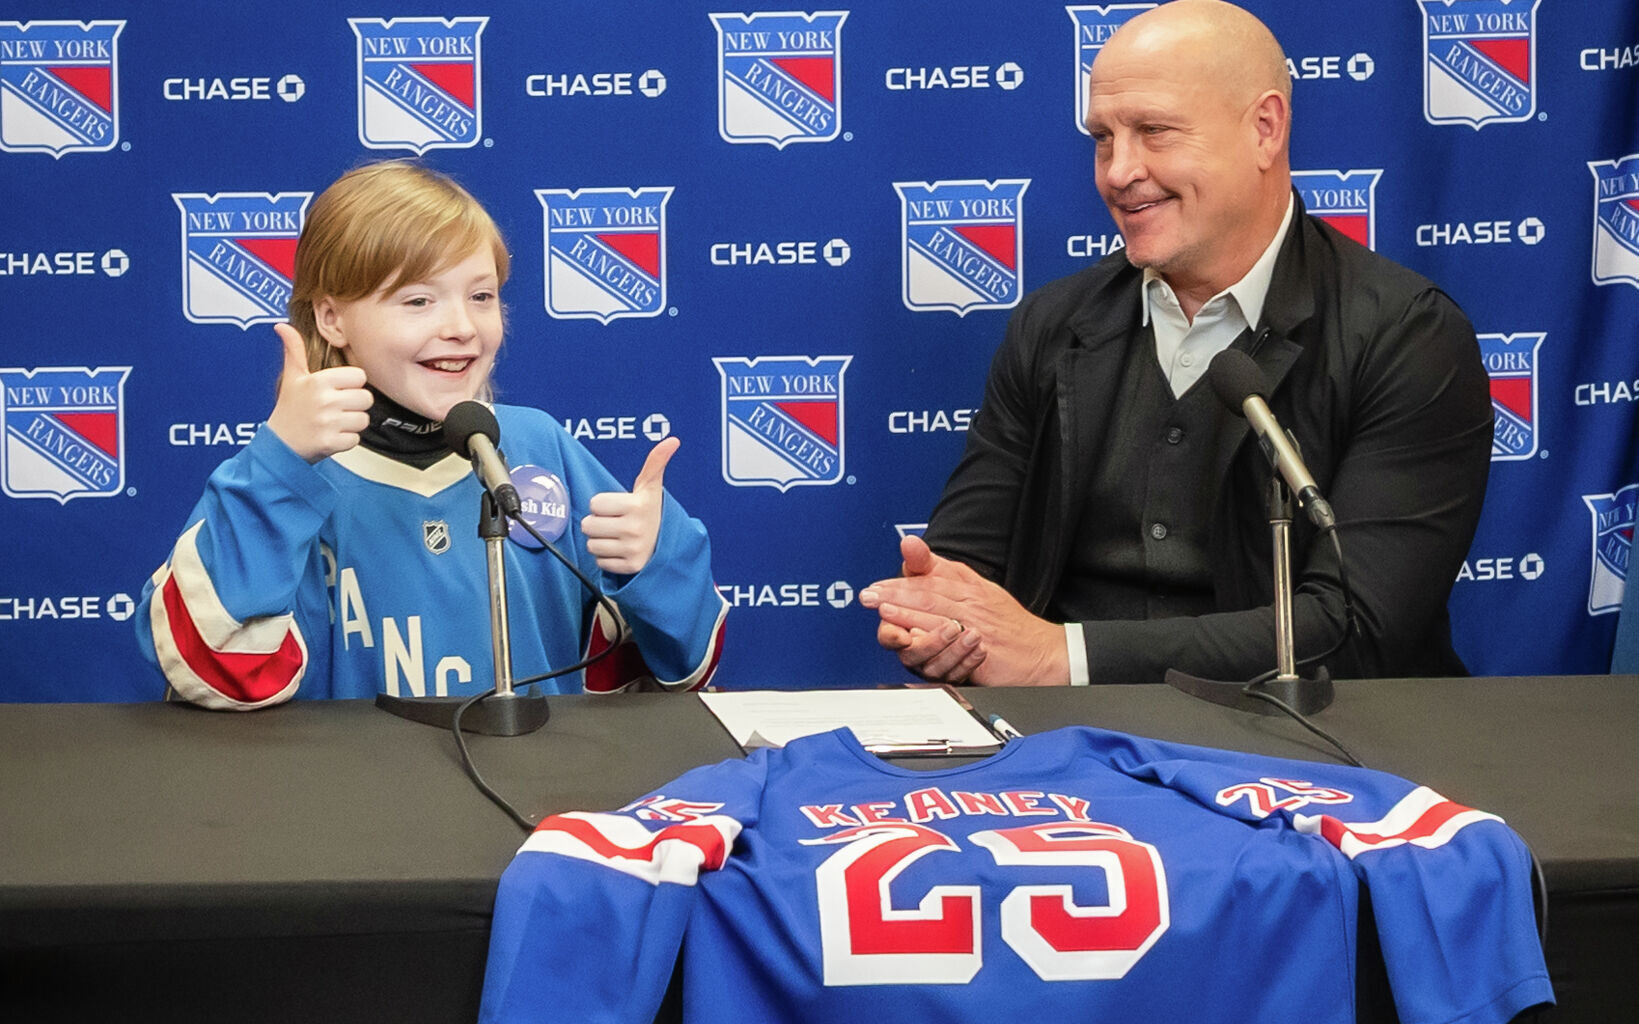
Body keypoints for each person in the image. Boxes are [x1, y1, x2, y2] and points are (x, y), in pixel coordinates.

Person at [860, 0, 1490, 687]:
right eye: (1102, 138)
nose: (1116, 171)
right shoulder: (1051, 323)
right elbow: (967, 562)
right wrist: (943, 617)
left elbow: (1359, 627)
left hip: (1310, 754)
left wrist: (1058, 656)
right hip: (1065, 750)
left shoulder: (1406, 335)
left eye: (1153, 131)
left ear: (1264, 129)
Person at [136, 161, 727, 708]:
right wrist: (276, 467)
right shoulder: (285, 476)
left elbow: (682, 665)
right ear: (331, 318)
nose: (461, 327)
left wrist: (656, 561)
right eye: (418, 300)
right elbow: (213, 672)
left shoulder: (539, 446)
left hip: (537, 803)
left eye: (482, 296)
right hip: (345, 811)